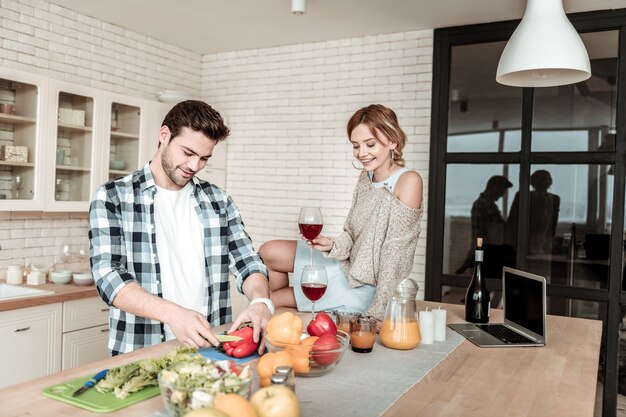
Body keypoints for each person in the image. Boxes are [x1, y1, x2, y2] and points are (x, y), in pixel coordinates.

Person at [89, 100, 272, 355]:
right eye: (188, 153)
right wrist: (174, 315)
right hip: (142, 350)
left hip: (212, 348)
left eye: (204, 158)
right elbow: (108, 277)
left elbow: (247, 262)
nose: (194, 166)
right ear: (164, 135)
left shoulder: (218, 200)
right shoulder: (113, 197)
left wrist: (261, 301)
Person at [259, 104, 423, 322]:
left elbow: (394, 255)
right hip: (343, 262)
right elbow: (352, 234)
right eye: (356, 146)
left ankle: (278, 325)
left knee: (274, 298)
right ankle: (281, 323)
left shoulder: (409, 181)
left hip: (363, 285)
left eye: (370, 144)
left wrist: (378, 312)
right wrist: (332, 245)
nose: (361, 153)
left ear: (393, 141)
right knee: (268, 251)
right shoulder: (366, 178)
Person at [456, 175, 513, 275]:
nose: (502, 195)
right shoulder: (487, 205)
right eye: (502, 191)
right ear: (495, 188)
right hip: (488, 253)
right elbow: (503, 227)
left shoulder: (478, 203)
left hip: (481, 250)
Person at [506, 170, 560, 254]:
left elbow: (512, 219)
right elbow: (513, 219)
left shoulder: (554, 199)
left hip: (538, 239)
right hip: (527, 239)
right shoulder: (554, 199)